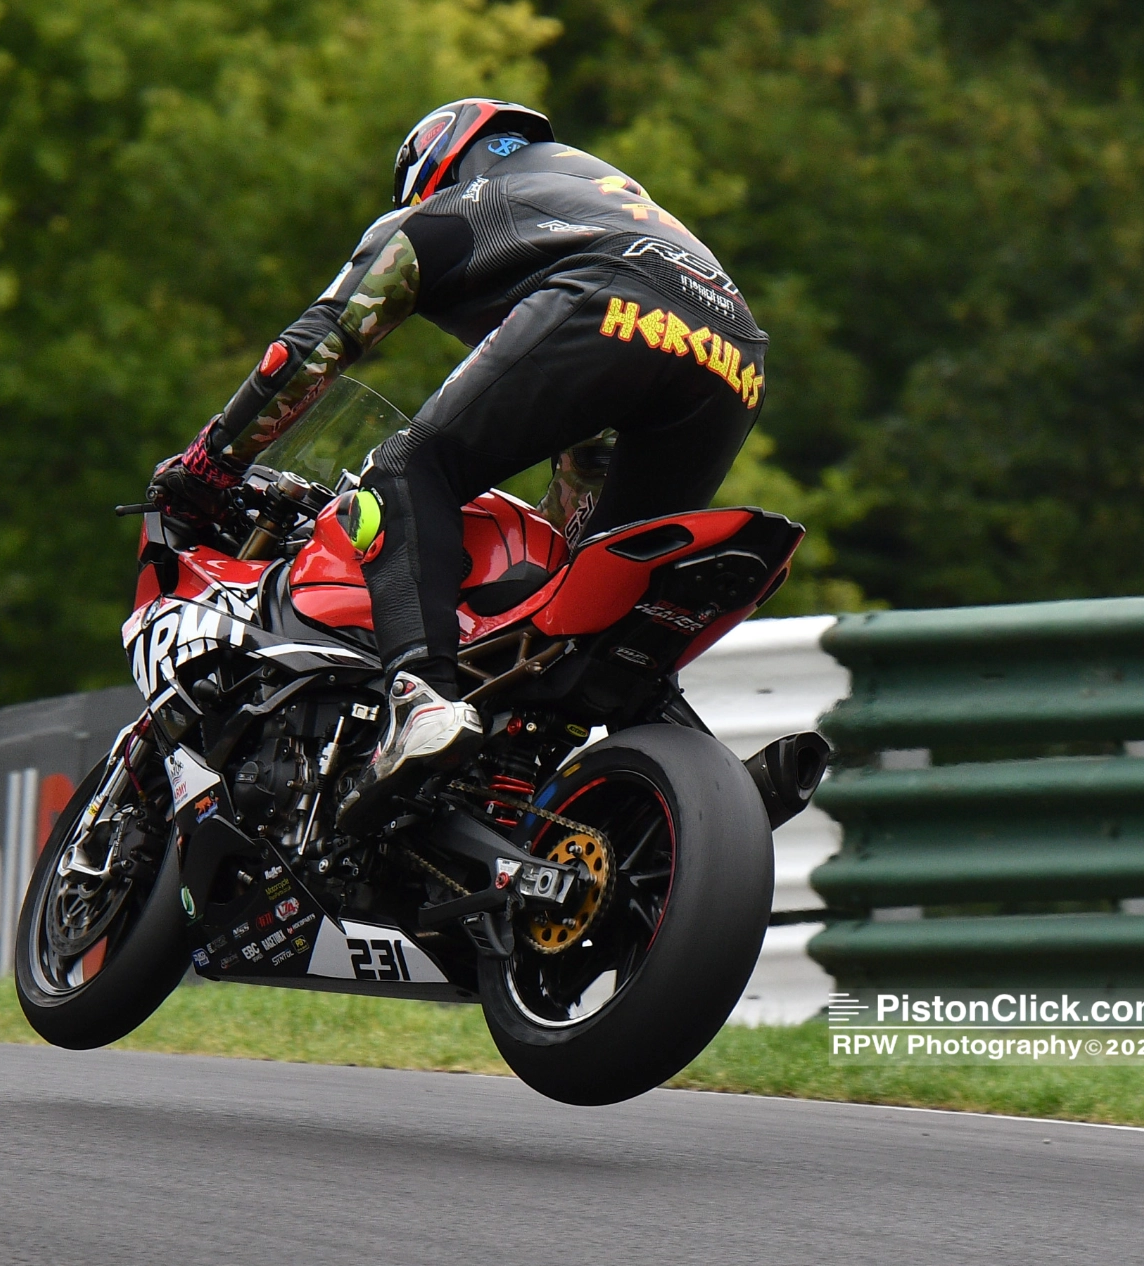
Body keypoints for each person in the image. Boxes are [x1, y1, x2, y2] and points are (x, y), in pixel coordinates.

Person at [148, 98, 766, 825]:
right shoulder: (588, 198)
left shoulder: (441, 213)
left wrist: (212, 459)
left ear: (434, 164)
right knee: (586, 585)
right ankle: (707, 782)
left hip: (609, 299)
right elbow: (586, 461)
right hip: (736, 354)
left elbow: (315, 344)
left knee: (403, 474)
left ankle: (419, 697)